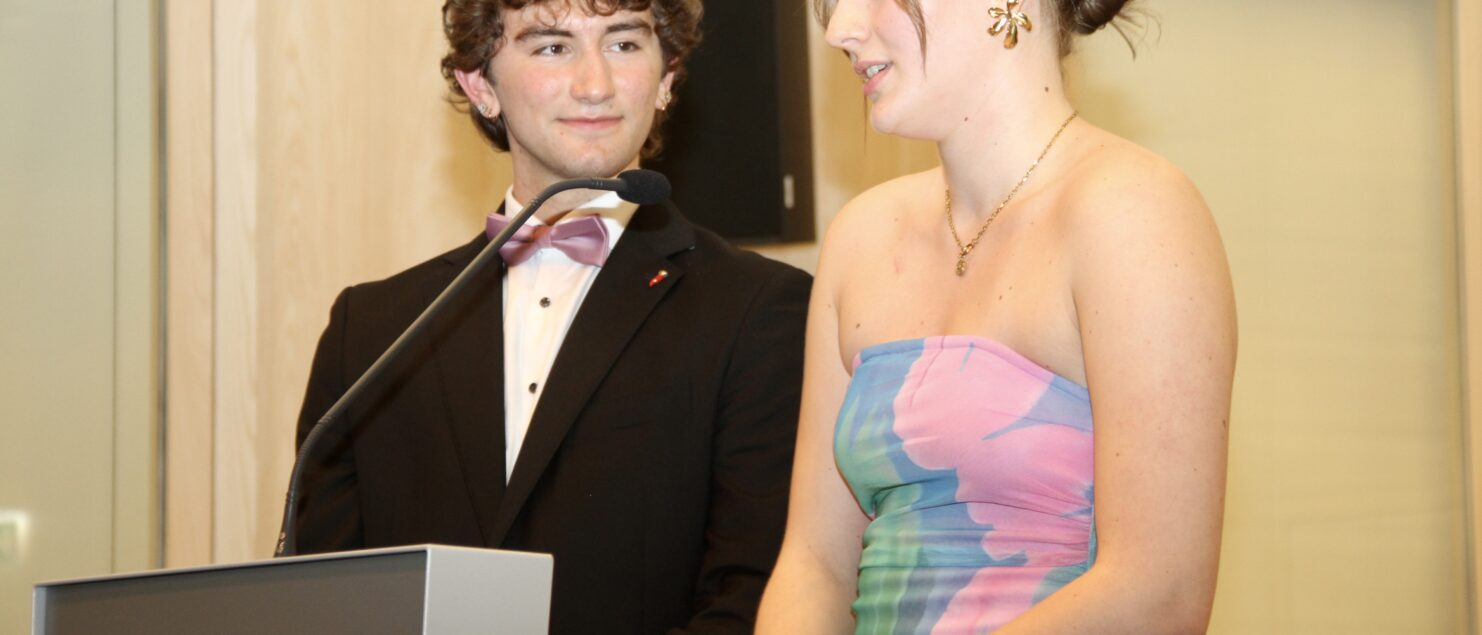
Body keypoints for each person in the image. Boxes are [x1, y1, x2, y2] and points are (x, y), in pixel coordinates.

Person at [289, 1, 811, 633]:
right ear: (480, 86)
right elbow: (324, 601)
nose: (595, 84)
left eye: (623, 44)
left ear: (667, 78)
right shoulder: (371, 330)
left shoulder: (760, 310)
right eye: (552, 47)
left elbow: (754, 597)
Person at [757, 0, 1235, 632]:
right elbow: (815, 562)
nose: (841, 29)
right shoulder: (860, 234)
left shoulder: (1133, 210)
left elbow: (1159, 592)